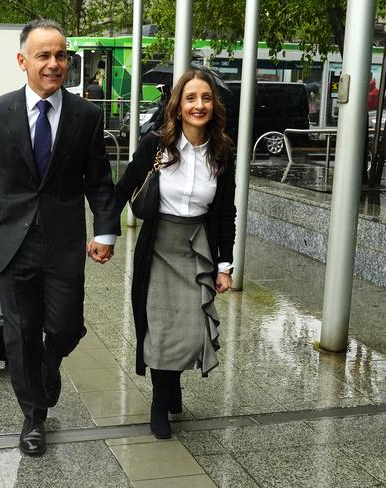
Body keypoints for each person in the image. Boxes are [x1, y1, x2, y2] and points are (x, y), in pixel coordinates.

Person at [0, 19, 119, 456]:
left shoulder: (86, 116)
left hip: (64, 243)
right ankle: (33, 417)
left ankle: (51, 363)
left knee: (66, 325)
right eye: (44, 55)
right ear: (23, 61)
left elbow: (100, 182)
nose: (55, 64)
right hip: (12, 244)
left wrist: (105, 230)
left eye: (61, 55)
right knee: (20, 333)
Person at [115, 69, 236, 439]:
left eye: (206, 98)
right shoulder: (156, 144)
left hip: (196, 247)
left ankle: (171, 388)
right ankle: (160, 401)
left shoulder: (221, 152)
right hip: (158, 246)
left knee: (189, 328)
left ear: (214, 105)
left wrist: (225, 264)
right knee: (161, 326)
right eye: (191, 98)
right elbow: (123, 188)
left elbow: (225, 211)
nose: (199, 105)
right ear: (178, 106)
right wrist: (104, 234)